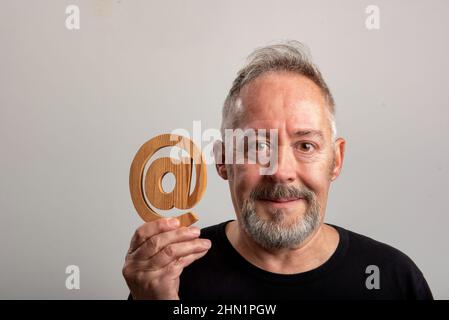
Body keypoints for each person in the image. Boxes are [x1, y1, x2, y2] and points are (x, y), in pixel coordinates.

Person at [122, 41, 433, 300]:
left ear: (336, 160)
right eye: (258, 146)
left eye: (305, 146)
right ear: (222, 160)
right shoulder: (170, 275)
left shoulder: (394, 279)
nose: (281, 171)